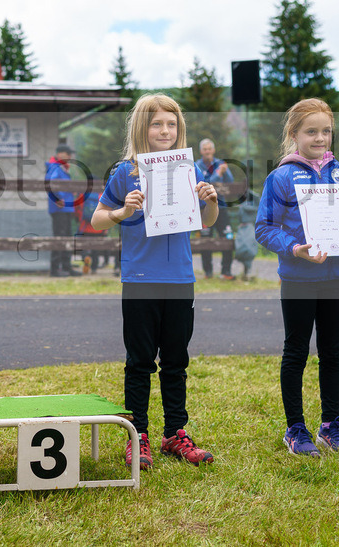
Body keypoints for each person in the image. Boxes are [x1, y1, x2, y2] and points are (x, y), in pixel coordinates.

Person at [91, 93, 219, 470]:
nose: (165, 130)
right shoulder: (124, 172)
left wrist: (210, 200)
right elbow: (98, 219)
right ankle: (139, 435)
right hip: (140, 279)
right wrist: (122, 210)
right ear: (141, 128)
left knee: (176, 360)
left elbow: (208, 220)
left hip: (180, 279)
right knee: (140, 361)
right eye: (157, 123)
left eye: (172, 124)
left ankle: (175, 434)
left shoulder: (190, 170)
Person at [255, 99, 339, 457]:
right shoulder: (281, 177)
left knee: (332, 352)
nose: (320, 137)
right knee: (296, 352)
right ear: (294, 134)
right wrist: (295, 248)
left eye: (325, 131)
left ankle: (330, 425)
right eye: (311, 131)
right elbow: (264, 229)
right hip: (298, 280)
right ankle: (295, 428)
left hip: (337, 276)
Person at [195, 139, 235, 280]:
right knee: (205, 240)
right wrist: (218, 174)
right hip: (204, 210)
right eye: (204, 149)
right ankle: (208, 272)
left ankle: (226, 271)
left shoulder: (220, 164)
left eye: (209, 149)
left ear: (213, 150)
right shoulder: (197, 166)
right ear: (201, 151)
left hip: (222, 208)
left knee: (228, 238)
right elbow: (207, 184)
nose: (207, 151)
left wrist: (224, 171)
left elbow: (230, 183)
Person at [45, 144, 81, 277]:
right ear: (60, 154)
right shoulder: (55, 167)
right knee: (59, 238)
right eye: (68, 153)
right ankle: (55, 269)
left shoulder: (62, 168)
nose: (70, 157)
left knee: (67, 237)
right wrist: (58, 198)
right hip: (60, 208)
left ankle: (66, 267)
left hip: (66, 207)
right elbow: (52, 183)